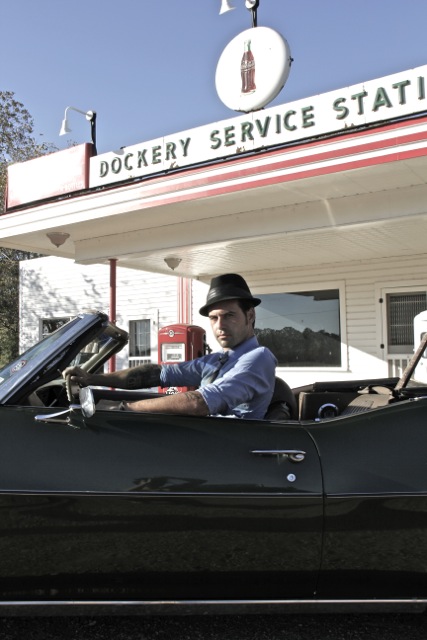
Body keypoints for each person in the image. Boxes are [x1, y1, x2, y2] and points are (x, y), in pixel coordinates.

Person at [64, 273, 277, 419]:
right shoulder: (218, 360)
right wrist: (91, 379)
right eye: (213, 318)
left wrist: (123, 408)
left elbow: (199, 402)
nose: (219, 325)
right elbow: (159, 374)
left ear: (250, 316)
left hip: (236, 449)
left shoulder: (258, 358)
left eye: (229, 316)